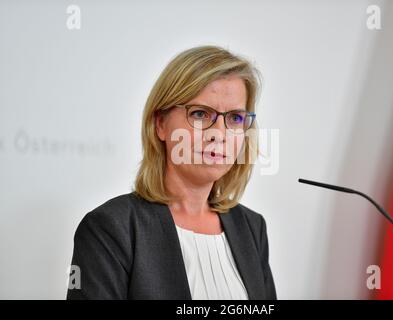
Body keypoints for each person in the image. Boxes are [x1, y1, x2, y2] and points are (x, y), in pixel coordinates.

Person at [66, 45, 277, 300]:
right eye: (200, 114)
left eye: (234, 118)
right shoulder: (110, 228)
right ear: (160, 124)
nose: (219, 134)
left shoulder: (252, 228)